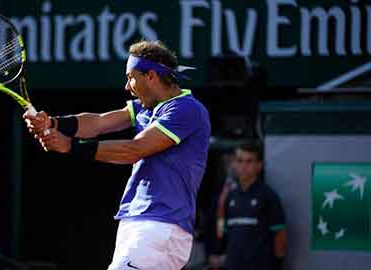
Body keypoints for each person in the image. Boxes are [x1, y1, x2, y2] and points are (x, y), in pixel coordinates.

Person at [24, 40, 211, 270]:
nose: (127, 86)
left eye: (131, 77)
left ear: (151, 76)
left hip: (159, 224)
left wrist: (71, 146)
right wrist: (53, 123)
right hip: (143, 224)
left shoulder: (186, 109)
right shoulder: (145, 108)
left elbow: (134, 149)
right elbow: (99, 122)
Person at [222, 141, 287, 270]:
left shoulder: (268, 196)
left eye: (249, 161)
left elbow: (280, 234)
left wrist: (277, 264)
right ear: (234, 164)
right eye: (240, 161)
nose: (243, 166)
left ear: (259, 165)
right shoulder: (230, 196)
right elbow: (226, 234)